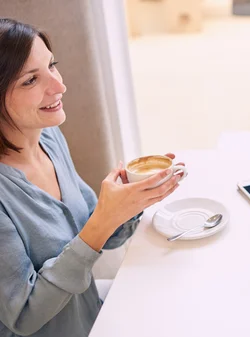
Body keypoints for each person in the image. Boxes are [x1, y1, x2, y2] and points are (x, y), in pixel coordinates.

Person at [0, 18, 184, 337]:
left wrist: (130, 198)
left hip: (92, 316)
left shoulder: (49, 138)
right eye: (31, 80)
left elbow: (99, 234)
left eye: (52, 66)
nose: (59, 86)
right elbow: (24, 316)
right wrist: (101, 222)